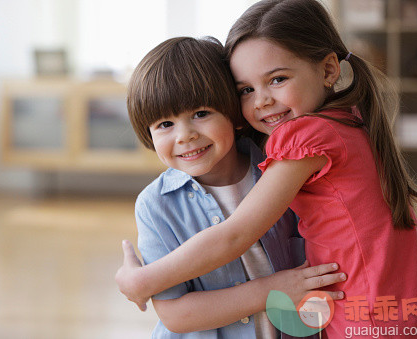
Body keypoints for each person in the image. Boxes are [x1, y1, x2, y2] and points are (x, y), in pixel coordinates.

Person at [116, 0, 417, 337]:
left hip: (370, 311)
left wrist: (142, 280)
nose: (261, 101)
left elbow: (235, 235)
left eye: (278, 79)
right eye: (246, 90)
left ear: (328, 70)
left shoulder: (305, 138)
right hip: (399, 302)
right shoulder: (345, 121)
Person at [122, 36, 346, 338]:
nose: (185, 136)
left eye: (201, 114)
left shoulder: (284, 171)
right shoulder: (155, 205)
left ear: (234, 114)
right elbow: (176, 315)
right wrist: (270, 290)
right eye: (165, 124)